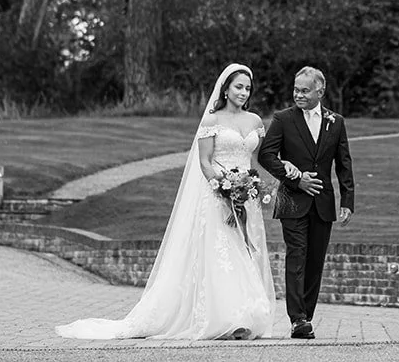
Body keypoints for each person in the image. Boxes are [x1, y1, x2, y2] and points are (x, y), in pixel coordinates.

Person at [54, 63, 278, 341]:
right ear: (226, 88)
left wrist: (253, 187)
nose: (243, 92)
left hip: (247, 199)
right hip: (218, 196)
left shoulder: (255, 122)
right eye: (238, 87)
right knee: (223, 255)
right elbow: (205, 162)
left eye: (247, 88)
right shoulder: (211, 121)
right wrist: (224, 189)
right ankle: (226, 319)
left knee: (246, 253)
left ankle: (247, 315)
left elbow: (254, 162)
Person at [258, 65, 354, 339]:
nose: (298, 95)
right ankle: (297, 319)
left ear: (320, 91)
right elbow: (267, 155)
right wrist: (294, 178)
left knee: (315, 261)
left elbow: (343, 164)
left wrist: (347, 199)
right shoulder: (283, 119)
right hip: (292, 200)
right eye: (296, 90)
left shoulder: (336, 122)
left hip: (323, 203)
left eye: (304, 90)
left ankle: (306, 316)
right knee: (297, 256)